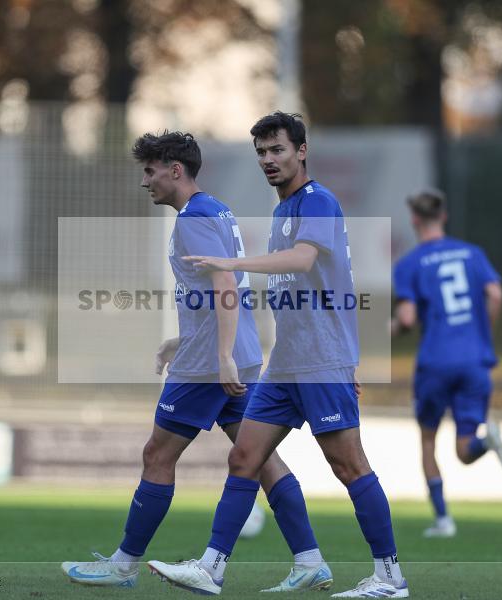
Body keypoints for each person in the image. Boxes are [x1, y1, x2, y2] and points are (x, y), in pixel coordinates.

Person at [147, 112, 408, 598]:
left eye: (278, 150)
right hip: (285, 364)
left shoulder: (319, 202)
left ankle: (390, 576)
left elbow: (303, 260)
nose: (269, 160)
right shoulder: (281, 212)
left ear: (301, 151)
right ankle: (212, 567)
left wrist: (232, 261)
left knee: (349, 466)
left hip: (322, 361)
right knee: (244, 456)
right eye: (262, 153)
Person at [60, 131, 332, 592]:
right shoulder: (215, 209)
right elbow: (213, 291)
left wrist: (218, 355)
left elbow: (226, 284)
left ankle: (123, 565)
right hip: (231, 355)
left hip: (210, 364)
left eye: (150, 171)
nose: (145, 181)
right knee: (260, 459)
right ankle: (310, 559)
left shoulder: (194, 218)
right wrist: (180, 340)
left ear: (174, 170)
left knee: (157, 454)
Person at [391, 189, 502, 538]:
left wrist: (393, 327)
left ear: (415, 220)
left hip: (435, 362)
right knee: (464, 448)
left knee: (428, 440)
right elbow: (497, 294)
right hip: (475, 360)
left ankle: (443, 519)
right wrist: (483, 334)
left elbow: (409, 319)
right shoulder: (473, 253)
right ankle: (485, 443)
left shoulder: (410, 264)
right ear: (443, 216)